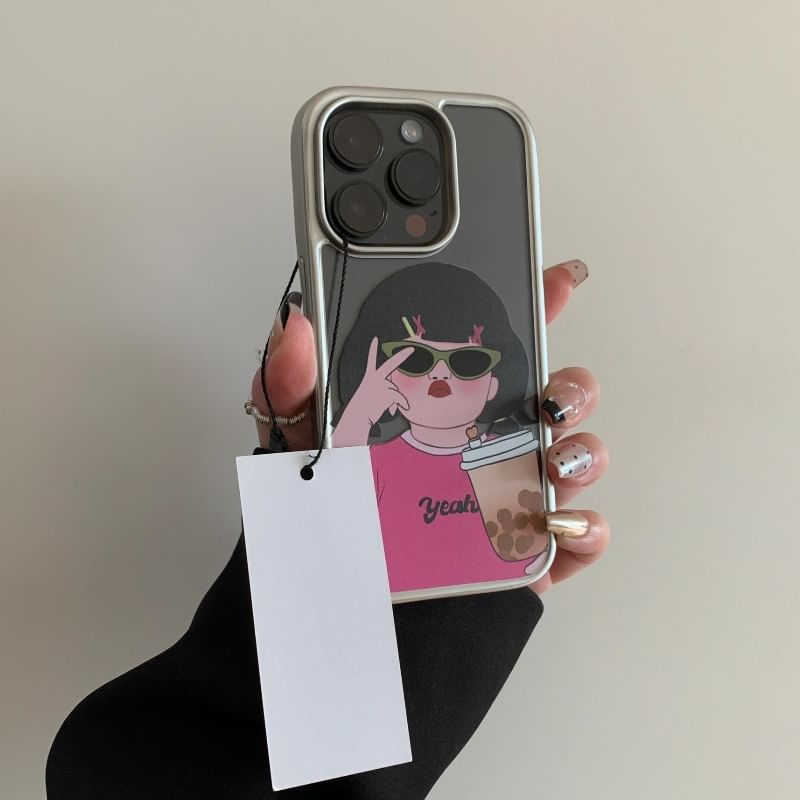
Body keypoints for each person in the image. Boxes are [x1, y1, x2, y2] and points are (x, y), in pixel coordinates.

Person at [45, 259, 609, 799]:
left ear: (492, 383)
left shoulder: (499, 462)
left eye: (467, 363)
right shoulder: (370, 459)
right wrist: (355, 421)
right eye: (414, 359)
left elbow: (108, 771)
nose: (439, 375)